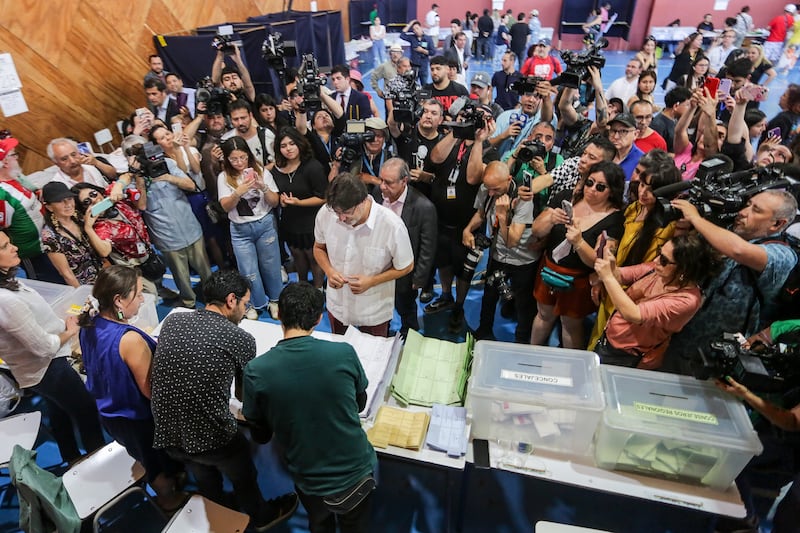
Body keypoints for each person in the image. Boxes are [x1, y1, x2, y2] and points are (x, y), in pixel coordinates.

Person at [151, 269, 298, 530]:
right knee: (243, 471)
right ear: (231, 300)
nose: (244, 310)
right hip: (212, 438)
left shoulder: (174, 321)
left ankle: (217, 506)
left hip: (167, 432)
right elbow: (244, 395)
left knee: (201, 470)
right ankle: (260, 515)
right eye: (245, 304)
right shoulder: (239, 338)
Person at [242, 282, 377, 533]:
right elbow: (360, 402)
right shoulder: (344, 353)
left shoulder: (257, 371)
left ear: (279, 314)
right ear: (318, 318)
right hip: (356, 474)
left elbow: (259, 431)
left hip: (309, 480)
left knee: (319, 522)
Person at [77, 266, 187, 511]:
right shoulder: (129, 340)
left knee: (145, 457)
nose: (141, 299)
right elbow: (151, 390)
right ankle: (168, 499)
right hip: (137, 417)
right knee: (155, 461)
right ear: (119, 300)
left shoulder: (89, 324)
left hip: (111, 413)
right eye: (137, 294)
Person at [663, 190, 799, 375]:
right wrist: (683, 228)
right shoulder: (723, 233)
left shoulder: (782, 255)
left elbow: (739, 251)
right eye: (747, 204)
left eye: (756, 210)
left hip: (715, 358)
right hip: (677, 338)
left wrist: (696, 218)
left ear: (777, 224)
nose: (743, 212)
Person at [0, 229, 105, 464]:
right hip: (46, 367)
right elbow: (43, 347)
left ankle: (72, 458)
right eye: (5, 247)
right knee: (85, 410)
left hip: (38, 369)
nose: (14, 248)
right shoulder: (5, 301)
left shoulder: (8, 283)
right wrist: (69, 331)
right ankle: (100, 463)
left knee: (60, 412)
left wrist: (62, 325)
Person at [714, 320, 800, 532]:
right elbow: (753, 343)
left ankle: (746, 521)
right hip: (762, 413)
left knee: (791, 515)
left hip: (786, 436)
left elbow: (792, 421)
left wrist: (746, 395)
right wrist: (748, 348)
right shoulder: (791, 327)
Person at [588, 156, 680, 349]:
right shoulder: (634, 207)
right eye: (642, 185)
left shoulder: (669, 226)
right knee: (596, 341)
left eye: (652, 189)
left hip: (632, 298)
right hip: (611, 283)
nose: (643, 192)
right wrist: (602, 277)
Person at [530, 161, 625, 349]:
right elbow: (536, 230)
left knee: (570, 325)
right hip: (549, 267)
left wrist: (579, 243)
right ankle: (531, 354)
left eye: (600, 187)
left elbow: (600, 263)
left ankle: (571, 369)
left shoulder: (614, 219)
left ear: (612, 191)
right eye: (590, 182)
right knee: (543, 315)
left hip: (578, 279)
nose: (592, 190)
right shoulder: (567, 196)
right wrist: (550, 219)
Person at [593, 232, 722, 369]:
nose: (656, 261)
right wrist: (612, 266)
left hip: (627, 355)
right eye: (660, 253)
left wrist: (608, 277)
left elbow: (634, 314)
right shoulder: (658, 271)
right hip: (610, 340)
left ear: (683, 270)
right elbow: (620, 276)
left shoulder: (687, 300)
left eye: (664, 260)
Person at [313, 173, 414, 336]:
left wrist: (372, 281)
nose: (341, 218)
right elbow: (318, 248)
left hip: (373, 310)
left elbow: (406, 266)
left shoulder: (391, 225)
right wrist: (329, 271)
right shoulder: (326, 213)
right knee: (339, 353)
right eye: (336, 212)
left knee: (373, 356)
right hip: (337, 305)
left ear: (363, 201)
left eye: (346, 212)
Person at [122, 135, 213, 309]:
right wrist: (141, 180)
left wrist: (168, 177)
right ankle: (189, 302)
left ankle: (213, 297)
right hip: (166, 235)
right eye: (135, 153)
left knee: (205, 270)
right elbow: (141, 205)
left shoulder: (167, 165)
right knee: (181, 276)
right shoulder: (130, 180)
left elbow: (191, 185)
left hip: (190, 227)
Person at [464, 161, 539, 343]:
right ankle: (484, 331)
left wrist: (503, 216)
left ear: (509, 180)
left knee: (524, 304)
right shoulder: (487, 189)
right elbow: (482, 213)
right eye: (488, 188)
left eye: (495, 189)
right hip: (497, 255)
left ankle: (521, 342)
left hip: (523, 260)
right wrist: (467, 229)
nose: (490, 192)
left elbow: (512, 241)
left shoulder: (524, 200)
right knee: (489, 295)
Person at [218, 136, 282, 319]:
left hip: (265, 224)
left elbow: (275, 202)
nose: (239, 162)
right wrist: (238, 192)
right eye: (234, 159)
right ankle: (254, 302)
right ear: (227, 160)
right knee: (248, 270)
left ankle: (275, 300)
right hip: (240, 230)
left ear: (249, 155)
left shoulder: (261, 171)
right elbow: (225, 206)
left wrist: (263, 187)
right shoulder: (224, 177)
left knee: (271, 265)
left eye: (243, 157)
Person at [372, 158, 437, 336]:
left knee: (405, 307)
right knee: (378, 307)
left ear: (404, 181)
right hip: (378, 267)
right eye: (381, 180)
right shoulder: (377, 194)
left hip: (405, 272)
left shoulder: (424, 207)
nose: (383, 186)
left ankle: (410, 334)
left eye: (389, 182)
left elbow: (427, 247)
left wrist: (420, 278)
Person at [73, 180, 160, 295]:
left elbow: (127, 176)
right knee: (150, 293)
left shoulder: (112, 196)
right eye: (87, 202)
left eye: (93, 194)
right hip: (132, 265)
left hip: (146, 251)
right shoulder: (101, 227)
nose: (93, 200)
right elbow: (104, 251)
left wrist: (118, 187)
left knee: (157, 276)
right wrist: (88, 228)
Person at [271, 128, 327, 289]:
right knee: (297, 257)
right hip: (290, 222)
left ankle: (318, 290)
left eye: (292, 144)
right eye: (283, 146)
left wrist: (299, 203)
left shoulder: (312, 166)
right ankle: (302, 287)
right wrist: (280, 201)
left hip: (311, 223)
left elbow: (323, 197)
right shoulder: (276, 169)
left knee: (314, 258)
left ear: (299, 144)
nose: (288, 148)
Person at [40, 182, 102, 287]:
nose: (68, 204)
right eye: (60, 201)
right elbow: (66, 273)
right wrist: (83, 295)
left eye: (69, 199)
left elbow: (103, 206)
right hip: (86, 285)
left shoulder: (78, 216)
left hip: (105, 273)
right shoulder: (50, 236)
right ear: (49, 207)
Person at [47, 137, 117, 188]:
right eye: (64, 159)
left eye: (74, 155)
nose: (72, 161)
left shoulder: (91, 168)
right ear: (55, 163)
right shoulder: (58, 185)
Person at [650, 86, 692, 153]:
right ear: (676, 106)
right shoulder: (658, 125)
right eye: (687, 105)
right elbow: (655, 152)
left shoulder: (677, 120)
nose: (689, 109)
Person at [400, 20, 435, 85]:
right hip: (413, 66)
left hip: (423, 66)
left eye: (417, 28)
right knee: (412, 85)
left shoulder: (428, 38)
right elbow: (402, 35)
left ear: (421, 28)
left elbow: (433, 52)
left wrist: (423, 51)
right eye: (414, 29)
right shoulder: (412, 38)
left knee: (424, 86)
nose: (416, 30)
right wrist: (410, 24)